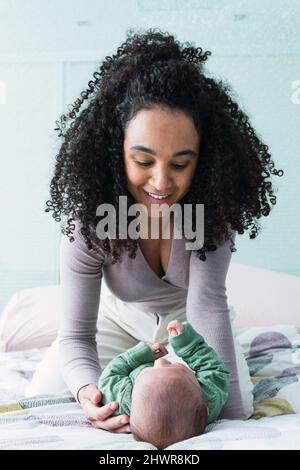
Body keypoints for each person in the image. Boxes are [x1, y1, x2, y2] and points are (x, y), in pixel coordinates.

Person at [27, 29, 283, 434]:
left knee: (230, 405)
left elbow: (207, 307)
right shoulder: (90, 223)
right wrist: (89, 396)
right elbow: (76, 334)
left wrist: (234, 424)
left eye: (180, 164)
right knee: (50, 388)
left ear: (205, 160)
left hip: (190, 324)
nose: (161, 182)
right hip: (118, 316)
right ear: (115, 152)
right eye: (143, 160)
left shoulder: (211, 216)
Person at [98, 319, 230, 449]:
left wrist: (140, 356)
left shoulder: (121, 400)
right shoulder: (208, 400)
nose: (160, 362)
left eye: (146, 372)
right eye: (178, 368)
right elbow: (212, 369)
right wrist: (188, 344)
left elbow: (110, 374)